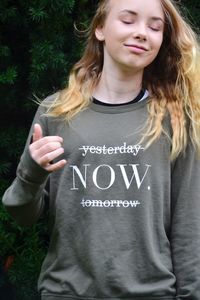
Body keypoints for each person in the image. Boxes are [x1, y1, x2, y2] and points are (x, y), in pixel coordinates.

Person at [2, 0, 200, 299]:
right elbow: (23, 216)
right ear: (99, 29)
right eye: (128, 20)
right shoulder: (56, 113)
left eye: (154, 26)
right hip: (66, 292)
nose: (142, 33)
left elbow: (190, 224)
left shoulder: (176, 120)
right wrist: (31, 172)